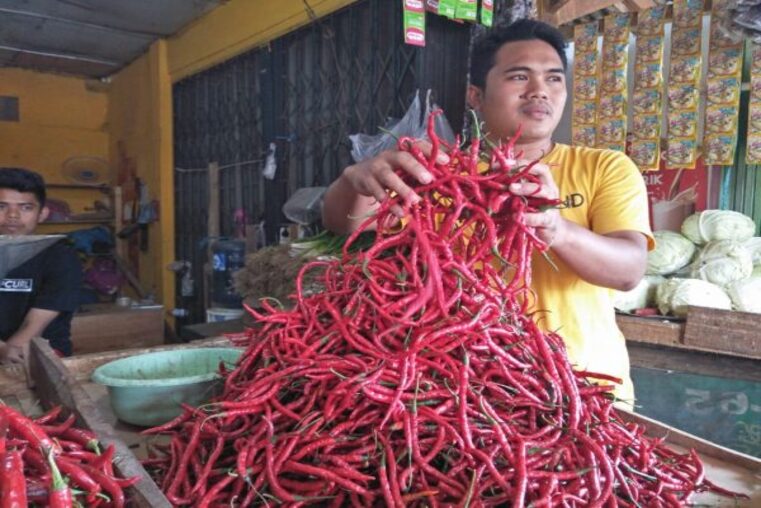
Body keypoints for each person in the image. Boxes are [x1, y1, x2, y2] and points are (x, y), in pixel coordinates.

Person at [321, 19, 654, 403]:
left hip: (584, 393)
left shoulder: (605, 168)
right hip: (467, 391)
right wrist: (353, 179)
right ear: (475, 96)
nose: (540, 91)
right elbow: (345, 225)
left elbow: (629, 271)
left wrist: (556, 229)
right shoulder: (433, 173)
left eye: (554, 78)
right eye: (519, 76)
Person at [0, 167, 83, 363]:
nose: (13, 216)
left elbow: (32, 325)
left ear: (42, 214)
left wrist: (7, 354)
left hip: (39, 351)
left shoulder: (61, 256)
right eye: (1, 206)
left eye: (26, 207)